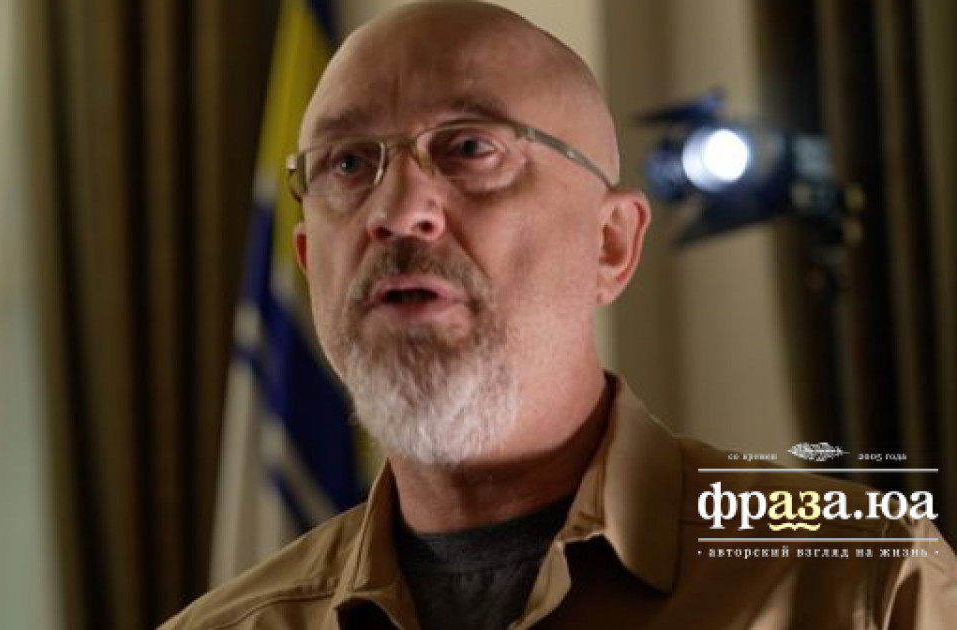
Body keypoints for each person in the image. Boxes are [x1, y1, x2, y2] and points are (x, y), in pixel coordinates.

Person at [161, 2, 957, 628]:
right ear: (309, 260)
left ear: (610, 244)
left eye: (470, 148)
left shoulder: (860, 588)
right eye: (346, 163)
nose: (398, 212)